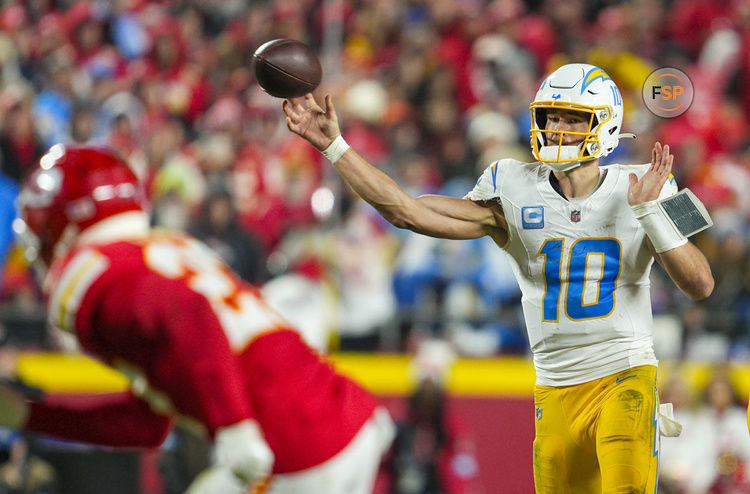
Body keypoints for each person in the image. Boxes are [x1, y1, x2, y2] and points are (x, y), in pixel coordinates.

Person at [283, 63, 715, 493]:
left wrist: (649, 213)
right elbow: (406, 211)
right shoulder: (512, 186)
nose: (558, 129)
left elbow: (700, 284)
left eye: (572, 118)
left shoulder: (647, 183)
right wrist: (334, 147)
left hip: (625, 374)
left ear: (605, 125)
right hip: (554, 387)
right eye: (551, 116)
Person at [2, 145, 394, 494]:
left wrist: (235, 428)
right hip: (339, 419)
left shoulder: (96, 271)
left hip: (290, 441)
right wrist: (27, 413)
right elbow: (146, 424)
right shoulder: (166, 246)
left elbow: (188, 313)